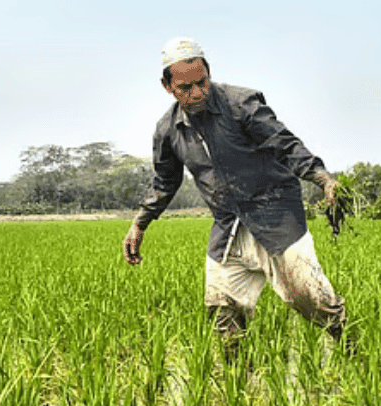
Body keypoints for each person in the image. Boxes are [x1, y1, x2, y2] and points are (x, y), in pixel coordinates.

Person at [122, 37, 351, 361]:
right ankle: (236, 378)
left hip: (275, 215)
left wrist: (322, 177)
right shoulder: (168, 131)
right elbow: (165, 181)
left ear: (209, 74)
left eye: (202, 82)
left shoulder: (242, 104)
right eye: (185, 87)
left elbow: (285, 144)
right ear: (167, 86)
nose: (197, 93)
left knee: (309, 299)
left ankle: (354, 350)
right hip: (228, 224)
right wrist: (139, 224)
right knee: (222, 309)